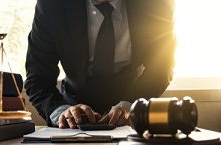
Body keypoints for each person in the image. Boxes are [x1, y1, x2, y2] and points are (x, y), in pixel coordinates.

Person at [25, 0, 176, 129]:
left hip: (134, 103)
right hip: (73, 110)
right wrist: (61, 111)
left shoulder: (157, 4)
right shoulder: (52, 5)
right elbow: (38, 77)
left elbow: (161, 68)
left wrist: (130, 106)